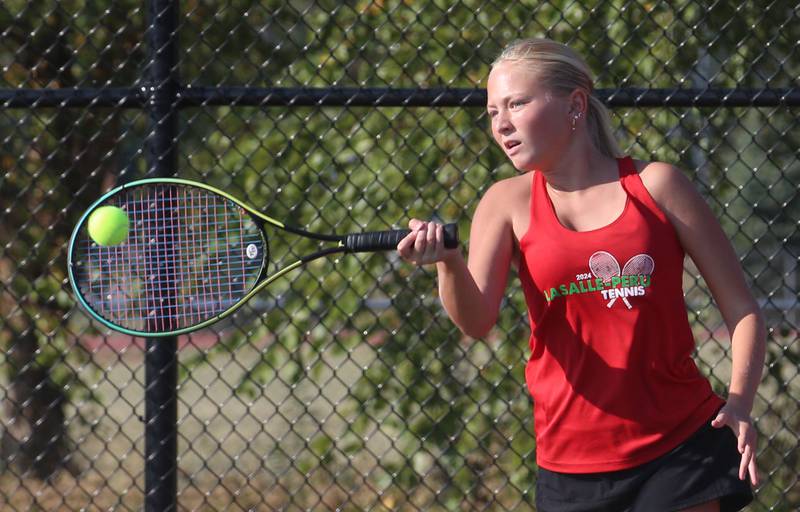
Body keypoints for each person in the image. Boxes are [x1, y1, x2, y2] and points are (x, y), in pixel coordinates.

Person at [396, 38, 766, 512]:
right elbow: (476, 321)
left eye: (517, 103)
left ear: (574, 105)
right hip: (569, 466)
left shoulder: (657, 185)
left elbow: (742, 310)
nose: (501, 124)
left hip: (680, 449)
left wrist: (738, 404)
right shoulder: (503, 203)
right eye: (492, 112)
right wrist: (447, 263)